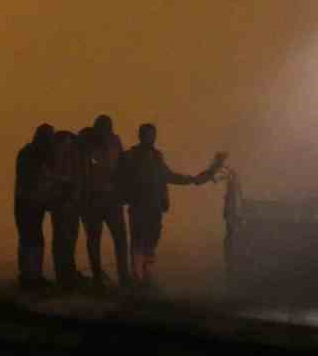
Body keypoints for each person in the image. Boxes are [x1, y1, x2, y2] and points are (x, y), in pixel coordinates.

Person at [117, 123, 223, 289]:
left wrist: (190, 179)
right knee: (138, 240)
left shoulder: (156, 156)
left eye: (153, 135)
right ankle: (138, 276)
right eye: (148, 135)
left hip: (154, 206)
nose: (151, 138)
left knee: (151, 240)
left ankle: (146, 274)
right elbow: (122, 178)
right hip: (139, 206)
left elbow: (167, 176)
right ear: (141, 136)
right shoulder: (131, 156)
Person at [78, 114, 130, 289]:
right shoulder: (86, 142)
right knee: (95, 239)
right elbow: (84, 170)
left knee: (119, 239)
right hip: (93, 197)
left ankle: (123, 277)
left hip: (110, 197)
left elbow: (121, 165)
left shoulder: (114, 141)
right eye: (104, 127)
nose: (106, 131)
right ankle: (99, 278)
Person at [14, 123, 55, 289]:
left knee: (34, 239)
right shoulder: (29, 154)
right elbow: (32, 178)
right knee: (29, 239)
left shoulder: (33, 153)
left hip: (34, 203)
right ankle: (28, 277)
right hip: (26, 203)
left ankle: (33, 276)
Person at [45, 129, 85, 287]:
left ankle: (67, 274)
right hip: (62, 204)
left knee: (68, 239)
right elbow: (56, 180)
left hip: (69, 204)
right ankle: (64, 276)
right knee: (63, 240)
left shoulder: (71, 157)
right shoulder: (56, 159)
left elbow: (75, 179)